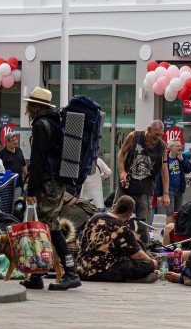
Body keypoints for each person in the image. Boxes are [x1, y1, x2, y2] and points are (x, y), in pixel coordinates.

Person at [22, 86, 81, 290]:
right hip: (57, 182)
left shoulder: (41, 125)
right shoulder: (56, 122)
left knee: (51, 228)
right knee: (44, 229)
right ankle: (37, 275)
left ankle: (71, 273)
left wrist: (31, 190)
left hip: (48, 183)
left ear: (34, 106)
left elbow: (37, 160)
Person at [74, 195, 160, 283]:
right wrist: (152, 263)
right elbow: (137, 255)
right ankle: (134, 278)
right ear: (130, 214)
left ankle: (137, 277)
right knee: (146, 264)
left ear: (114, 206)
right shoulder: (122, 228)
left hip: (82, 268)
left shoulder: (95, 217)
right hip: (103, 270)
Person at [117, 120, 167, 222]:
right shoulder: (134, 136)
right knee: (117, 216)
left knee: (143, 222)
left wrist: (165, 193)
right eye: (156, 134)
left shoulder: (162, 146)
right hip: (127, 184)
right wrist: (122, 171)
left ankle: (143, 237)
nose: (158, 137)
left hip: (145, 187)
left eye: (161, 135)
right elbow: (121, 153)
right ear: (149, 130)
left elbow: (164, 170)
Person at [156, 140, 191, 211]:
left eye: (181, 146)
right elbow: (159, 176)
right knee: (170, 213)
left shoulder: (182, 156)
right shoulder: (165, 158)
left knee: (178, 213)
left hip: (179, 189)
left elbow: (188, 169)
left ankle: (175, 223)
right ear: (171, 147)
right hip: (169, 189)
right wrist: (159, 194)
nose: (180, 148)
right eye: (178, 146)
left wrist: (182, 160)